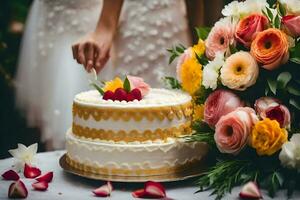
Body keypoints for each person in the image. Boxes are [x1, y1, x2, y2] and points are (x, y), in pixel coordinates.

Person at [16, 0, 222, 150]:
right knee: (124, 127)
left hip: (167, 16)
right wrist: (106, 26)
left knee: (174, 127)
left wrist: (206, 44)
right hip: (134, 16)